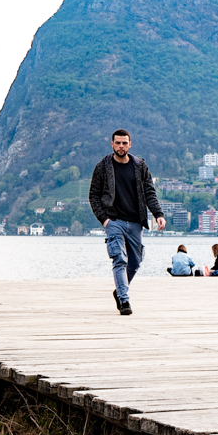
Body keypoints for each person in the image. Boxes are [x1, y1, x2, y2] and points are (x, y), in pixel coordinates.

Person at [88, 129, 166, 315]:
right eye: (118, 143)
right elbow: (93, 196)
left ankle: (119, 290)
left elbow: (150, 193)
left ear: (130, 144)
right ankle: (124, 300)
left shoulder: (140, 166)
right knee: (119, 259)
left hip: (136, 222)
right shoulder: (102, 167)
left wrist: (158, 214)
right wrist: (105, 220)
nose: (121, 146)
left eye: (124, 143)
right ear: (112, 144)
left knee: (135, 261)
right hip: (114, 221)